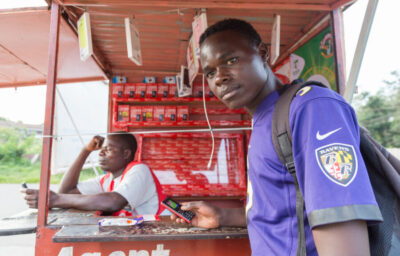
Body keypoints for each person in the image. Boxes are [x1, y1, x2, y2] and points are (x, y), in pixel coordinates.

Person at [172, 19, 383, 255]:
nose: (219, 77)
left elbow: (343, 230)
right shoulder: (265, 119)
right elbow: (283, 210)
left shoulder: (311, 107)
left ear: (262, 54)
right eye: (210, 72)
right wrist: (222, 215)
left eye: (231, 61)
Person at [22, 132, 164, 216]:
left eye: (108, 149)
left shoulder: (139, 170)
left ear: (126, 153)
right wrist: (86, 151)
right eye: (101, 149)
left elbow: (113, 202)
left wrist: (55, 200)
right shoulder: (107, 179)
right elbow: (67, 192)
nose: (101, 153)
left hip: (163, 234)